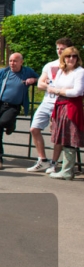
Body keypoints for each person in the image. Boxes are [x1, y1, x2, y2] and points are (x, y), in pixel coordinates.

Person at [0, 53, 39, 170]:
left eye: (15, 61)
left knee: (4, 122)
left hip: (14, 106)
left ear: (21, 62)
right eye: (10, 61)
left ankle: (11, 125)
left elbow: (42, 79)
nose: (12, 63)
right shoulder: (4, 72)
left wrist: (34, 79)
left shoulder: (27, 72)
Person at [27, 38, 74, 173]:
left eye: (63, 48)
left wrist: (53, 86)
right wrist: (50, 86)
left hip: (61, 103)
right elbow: (40, 84)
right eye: (58, 48)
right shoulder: (50, 65)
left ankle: (54, 162)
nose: (59, 51)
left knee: (57, 134)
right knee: (34, 129)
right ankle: (42, 160)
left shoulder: (73, 66)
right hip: (47, 101)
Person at [46, 47, 84, 180]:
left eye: (74, 56)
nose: (71, 59)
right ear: (64, 58)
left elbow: (77, 92)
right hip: (61, 106)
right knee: (63, 137)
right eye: (68, 56)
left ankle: (67, 171)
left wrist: (59, 91)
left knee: (70, 138)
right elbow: (53, 86)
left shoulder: (80, 72)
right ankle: (66, 169)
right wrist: (62, 90)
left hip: (71, 107)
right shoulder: (62, 71)